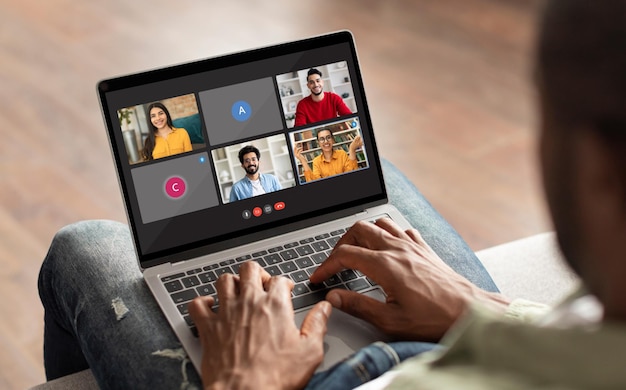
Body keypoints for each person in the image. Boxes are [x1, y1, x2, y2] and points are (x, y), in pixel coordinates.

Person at [37, 1, 626, 388]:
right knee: (371, 191)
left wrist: (247, 378)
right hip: (477, 336)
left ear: (600, 168)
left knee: (84, 245)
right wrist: (487, 314)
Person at [294, 127, 364, 182]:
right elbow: (314, 183)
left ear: (332, 139)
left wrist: (352, 149)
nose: (326, 141)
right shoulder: (316, 161)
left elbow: (352, 174)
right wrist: (303, 161)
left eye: (328, 137)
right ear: (318, 142)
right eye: (322, 139)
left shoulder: (342, 154)